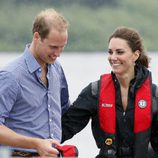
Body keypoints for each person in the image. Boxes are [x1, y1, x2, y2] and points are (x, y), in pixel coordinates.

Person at [62, 26, 158, 158]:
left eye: (119, 52)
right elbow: (66, 126)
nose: (113, 57)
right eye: (110, 52)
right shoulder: (94, 92)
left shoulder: (154, 95)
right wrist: (37, 145)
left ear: (135, 55)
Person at [0, 8, 70, 157]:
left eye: (62, 47)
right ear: (37, 37)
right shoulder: (11, 76)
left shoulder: (57, 68)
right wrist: (36, 144)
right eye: (53, 47)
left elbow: (65, 110)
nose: (57, 53)